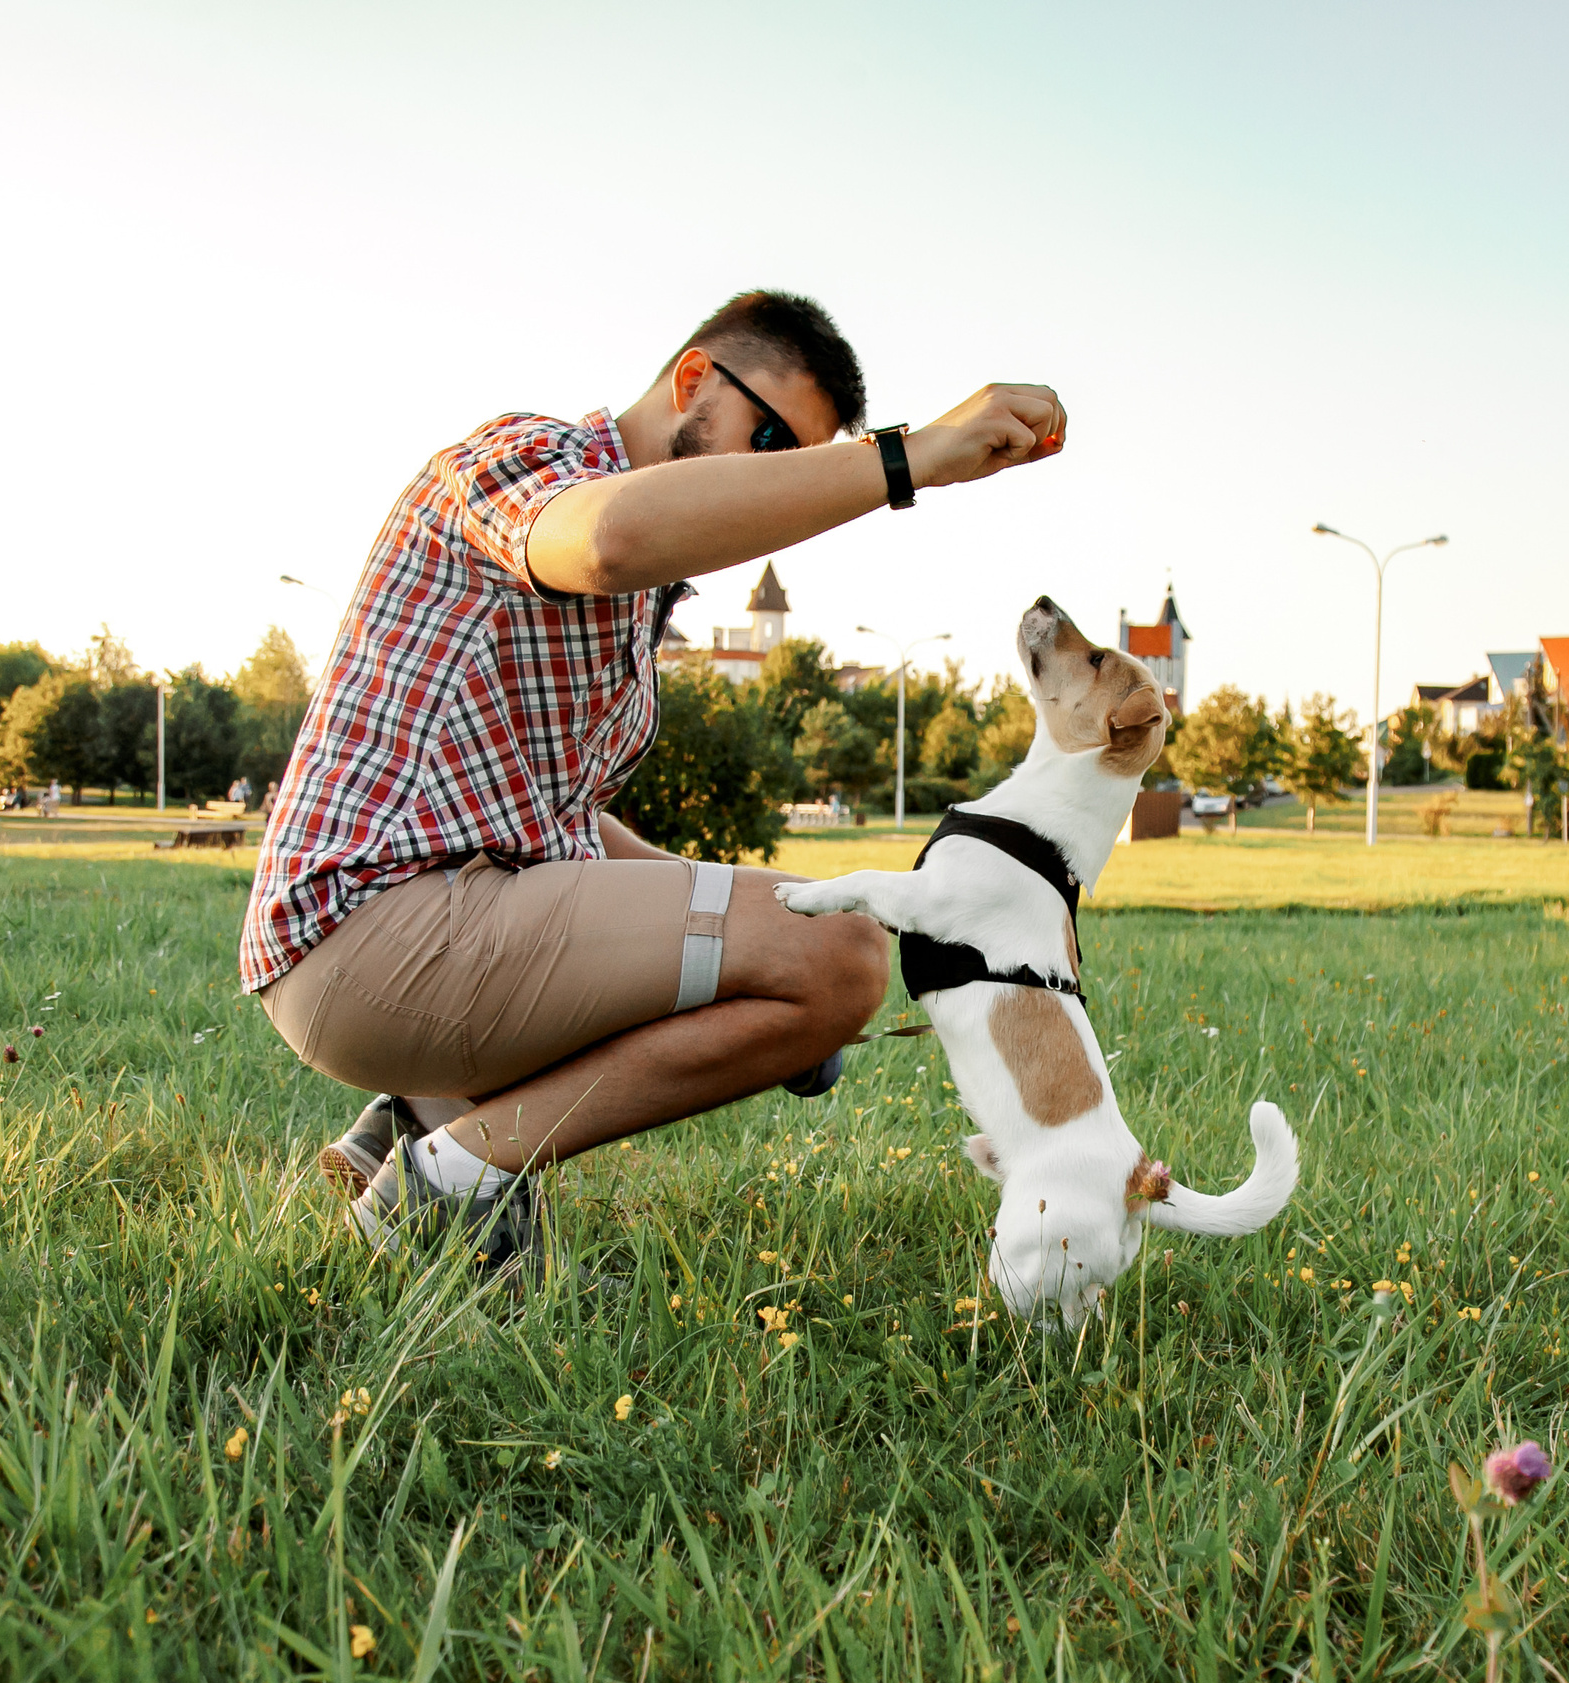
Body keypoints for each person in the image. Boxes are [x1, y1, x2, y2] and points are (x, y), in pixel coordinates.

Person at [241, 290, 1066, 1266]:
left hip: (441, 934)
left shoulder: (637, 610)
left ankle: (414, 1126)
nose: (774, 486)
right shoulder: (526, 459)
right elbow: (605, 538)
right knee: (842, 950)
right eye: (767, 440)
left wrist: (746, 935)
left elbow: (568, 821)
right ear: (690, 381)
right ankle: (444, 1183)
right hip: (365, 932)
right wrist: (906, 458)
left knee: (803, 934)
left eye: (795, 462)